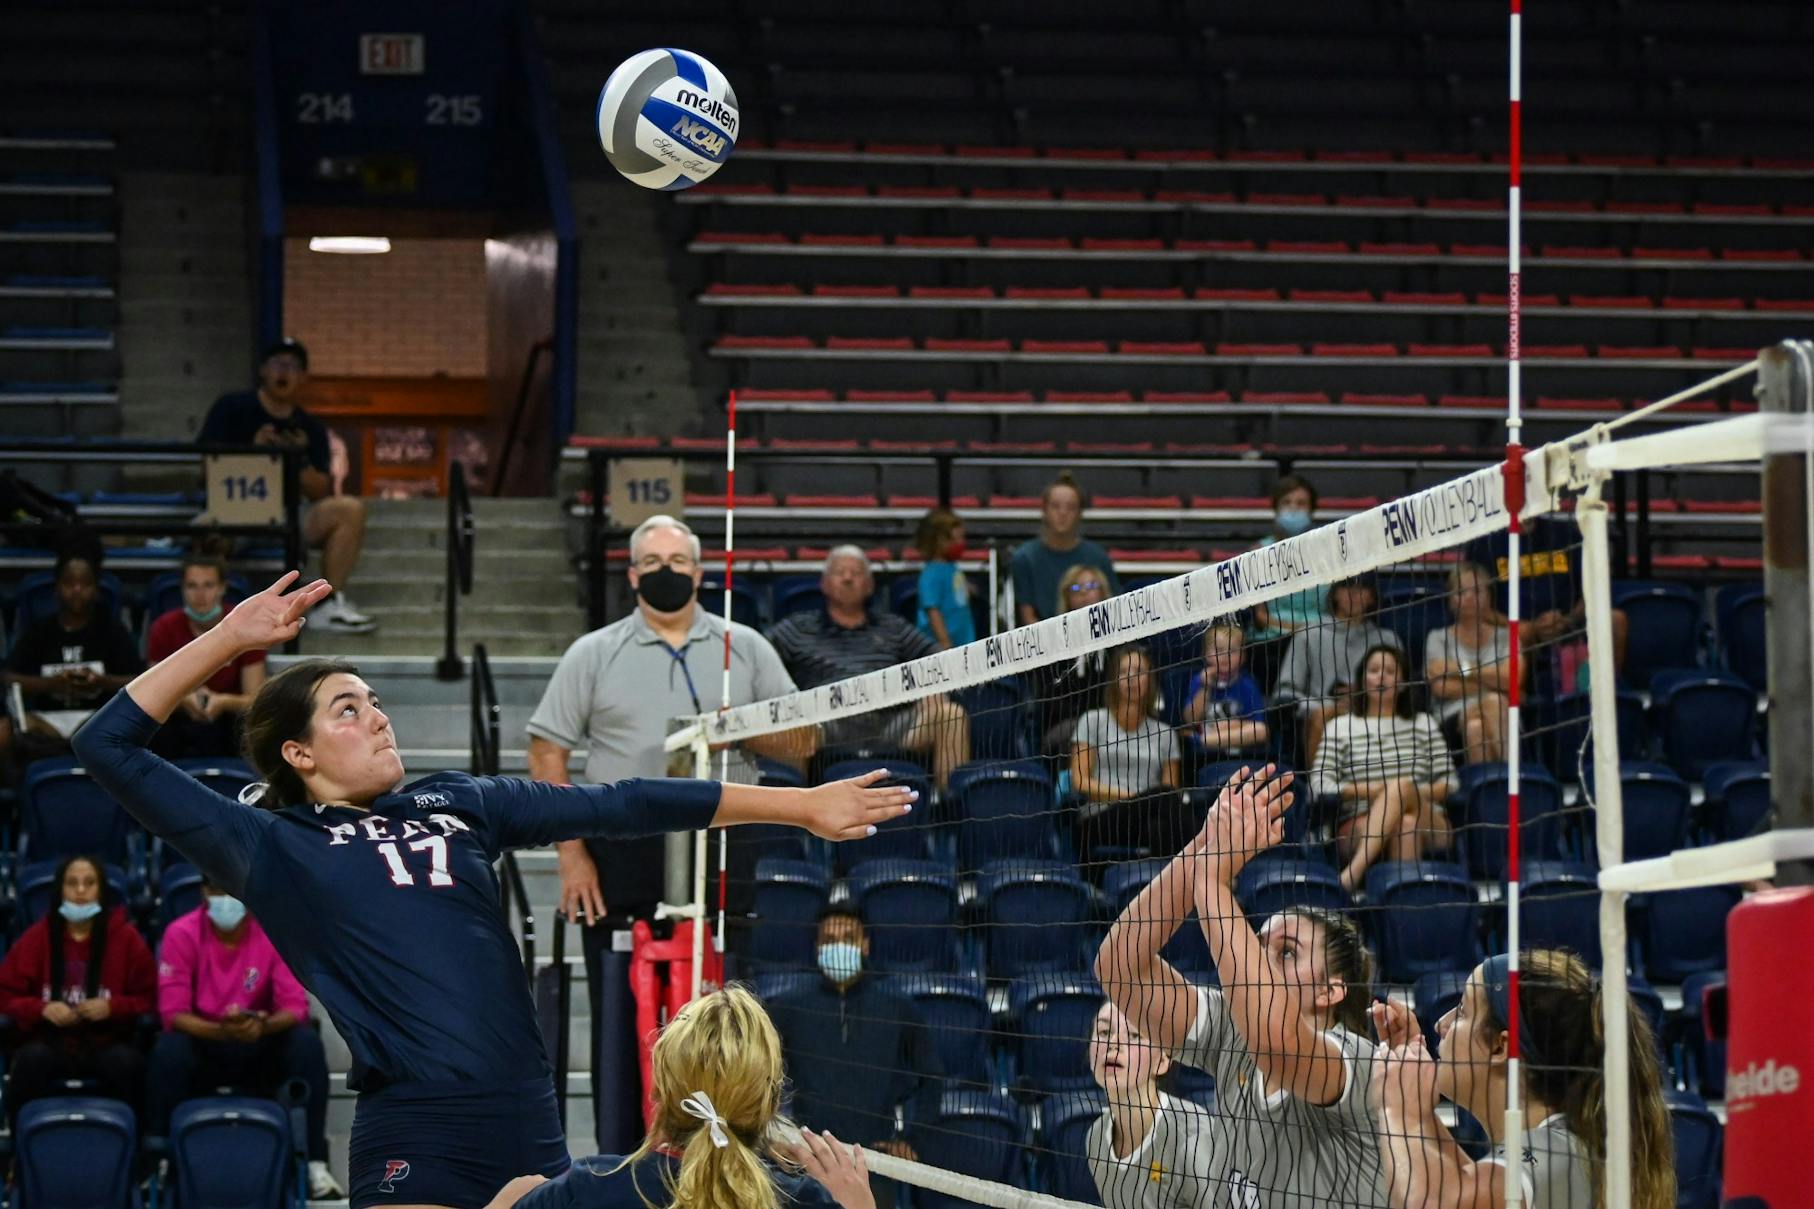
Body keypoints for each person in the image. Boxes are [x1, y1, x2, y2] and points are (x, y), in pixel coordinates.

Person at [70, 570, 916, 1209]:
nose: (378, 716)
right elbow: (108, 745)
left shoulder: (456, 799)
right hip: (415, 1125)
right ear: (298, 753)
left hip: (525, 1113)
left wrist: (799, 804)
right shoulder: (270, 844)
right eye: (346, 710)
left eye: (374, 701)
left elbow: (626, 801)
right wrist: (228, 637)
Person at [527, 513, 817, 1152]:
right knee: (621, 1018)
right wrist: (572, 857)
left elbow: (803, 742)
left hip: (723, 847)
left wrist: (742, 726)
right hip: (621, 854)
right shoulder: (594, 652)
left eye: (678, 562)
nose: (665, 572)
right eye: (652, 562)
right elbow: (547, 751)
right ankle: (623, 1157)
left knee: (722, 1010)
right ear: (631, 574)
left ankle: (725, 1155)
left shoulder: (744, 647)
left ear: (700, 571)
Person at [1096, 765, 1390, 1207]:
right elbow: (1118, 969)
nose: (1258, 961)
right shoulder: (1232, 1031)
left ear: (1331, 990)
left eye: (1286, 952)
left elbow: (1278, 1042)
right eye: (1257, 945)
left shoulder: (1359, 1060)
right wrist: (1206, 845)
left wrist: (1213, 880)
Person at [485, 986, 877, 1209]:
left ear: (658, 1091)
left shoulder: (589, 1187)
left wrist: (516, 1201)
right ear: (770, 1101)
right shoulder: (806, 1201)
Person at [1370, 949, 1675, 1209]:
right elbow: (1461, 1180)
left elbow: (1439, 1203)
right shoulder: (1561, 1141)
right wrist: (1415, 1107)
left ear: (1501, 1046)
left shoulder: (1558, 1147)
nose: (1440, 1024)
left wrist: (1397, 1109)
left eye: (1462, 1011)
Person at [147, 876, 338, 1198]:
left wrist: (262, 1026)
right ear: (205, 893)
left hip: (257, 1042)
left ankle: (315, 1163)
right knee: (168, 1050)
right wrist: (221, 1030)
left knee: (305, 1044)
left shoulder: (272, 932)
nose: (226, 898)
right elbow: (172, 1013)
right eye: (218, 889)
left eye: (232, 888)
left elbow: (295, 1007)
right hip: (204, 1043)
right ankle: (159, 1160)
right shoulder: (181, 933)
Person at [766, 905, 942, 1209]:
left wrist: (913, 1139)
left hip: (875, 1166)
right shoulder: (788, 1007)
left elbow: (932, 1078)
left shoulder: (898, 1009)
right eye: (830, 940)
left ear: (865, 945)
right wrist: (772, 1135)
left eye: (848, 937)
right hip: (806, 1163)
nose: (839, 946)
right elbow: (759, 1076)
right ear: (817, 947)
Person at [196, 338, 375, 633]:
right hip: (232, 511)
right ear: (263, 371)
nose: (284, 372)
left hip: (286, 513)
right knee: (208, 536)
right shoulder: (231, 408)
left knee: (349, 510)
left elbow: (318, 490)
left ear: (303, 377)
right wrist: (254, 452)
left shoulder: (310, 427)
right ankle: (211, 615)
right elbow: (204, 471)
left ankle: (329, 605)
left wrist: (297, 457)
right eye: (278, 364)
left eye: (293, 366)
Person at [768, 546, 970, 786]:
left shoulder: (893, 627)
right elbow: (759, 660)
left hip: (890, 724)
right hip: (822, 725)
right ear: (824, 584)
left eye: (856, 572)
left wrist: (934, 690)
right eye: (840, 572)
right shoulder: (797, 629)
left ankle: (949, 811)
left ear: (870, 585)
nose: (848, 578)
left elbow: (940, 661)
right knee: (793, 723)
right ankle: (793, 813)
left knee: (952, 715)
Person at [0, 854, 156, 1126]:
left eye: (89, 882)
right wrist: (42, 1009)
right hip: (48, 1042)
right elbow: (5, 996)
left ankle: (133, 1155)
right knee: (30, 1061)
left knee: (127, 1064)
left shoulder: (126, 938)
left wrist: (113, 1007)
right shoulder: (37, 937)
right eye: (72, 883)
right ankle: (18, 1155)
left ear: (101, 890)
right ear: (60, 890)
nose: (81, 891)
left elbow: (151, 999)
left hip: (108, 1042)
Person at [1311, 644, 1456, 892]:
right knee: (1404, 824)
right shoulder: (1340, 726)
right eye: (1374, 670)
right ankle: (1405, 912)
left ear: (1402, 681)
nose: (1381, 676)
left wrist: (1406, 794)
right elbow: (1319, 784)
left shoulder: (1424, 723)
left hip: (1429, 820)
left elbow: (1451, 782)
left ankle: (1352, 875)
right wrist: (1373, 792)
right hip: (1358, 824)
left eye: (1390, 670)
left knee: (1402, 792)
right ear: (1363, 679)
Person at [3, 538, 141, 771]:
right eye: (69, 583)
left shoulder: (111, 629)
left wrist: (99, 681)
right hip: (46, 721)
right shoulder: (40, 630)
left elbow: (138, 679)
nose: (77, 590)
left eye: (84, 584)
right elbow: (8, 677)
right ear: (57, 587)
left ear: (96, 588)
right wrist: (50, 685)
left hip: (97, 719)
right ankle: (18, 800)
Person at [1463, 513, 1626, 693]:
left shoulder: (1565, 533)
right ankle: (1520, 704)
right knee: (1519, 636)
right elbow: (1479, 608)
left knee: (1616, 620)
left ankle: (1607, 694)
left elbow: (1594, 587)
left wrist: (1568, 620)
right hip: (1515, 628)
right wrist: (1526, 627)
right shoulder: (1484, 544)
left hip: (1567, 623)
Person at [1085, 1000, 1218, 1209]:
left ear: (1162, 1061)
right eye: (1103, 1032)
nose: (1114, 1043)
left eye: (1135, 1035)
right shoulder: (1095, 1139)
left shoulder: (1193, 1137)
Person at [145, 551, 266, 759]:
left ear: (222, 588)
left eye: (208, 585)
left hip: (229, 723)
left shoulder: (245, 628)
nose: (200, 595)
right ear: (182, 590)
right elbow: (150, 694)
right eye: (192, 586)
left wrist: (223, 701)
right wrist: (183, 699)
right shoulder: (163, 628)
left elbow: (255, 699)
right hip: (176, 721)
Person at [1071, 646, 1184, 864]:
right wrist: (1133, 798)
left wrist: (1145, 801)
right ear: (1114, 679)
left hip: (1146, 819)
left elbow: (1172, 792)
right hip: (1102, 817)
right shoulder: (1092, 721)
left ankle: (1166, 892)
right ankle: (1208, 869)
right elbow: (1080, 781)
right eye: (1124, 672)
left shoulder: (1166, 733)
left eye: (1139, 671)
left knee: (1159, 829)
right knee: (1162, 799)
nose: (1131, 678)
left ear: (1150, 680)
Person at [1272, 573, 1400, 764]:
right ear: (1335, 594)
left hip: (1375, 711)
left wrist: (1364, 695)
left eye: (1362, 588)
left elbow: (1404, 688)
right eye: (1347, 587)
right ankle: (1317, 790)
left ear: (1373, 596)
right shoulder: (1309, 634)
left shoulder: (1388, 639)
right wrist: (1327, 707)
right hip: (1320, 713)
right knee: (1323, 715)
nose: (1354, 595)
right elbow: (1284, 693)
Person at [1424, 562, 1518, 764]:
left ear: (1489, 596)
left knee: (1476, 728)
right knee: (1496, 700)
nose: (1469, 598)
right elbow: (1441, 688)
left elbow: (1512, 681)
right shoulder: (1437, 638)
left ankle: (1490, 793)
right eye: (1460, 592)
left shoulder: (1506, 636)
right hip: (1452, 716)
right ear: (1450, 600)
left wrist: (1461, 669)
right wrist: (1493, 681)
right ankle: (1513, 780)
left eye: (1476, 591)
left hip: (1500, 718)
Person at [1246, 475, 1327, 692]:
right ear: (1276, 508)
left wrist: (1310, 631)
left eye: (1301, 504)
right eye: (1287, 503)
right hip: (1273, 642)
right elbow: (1261, 616)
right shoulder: (1259, 552)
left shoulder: (1328, 550)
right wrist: (1300, 630)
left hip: (1320, 638)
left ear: (1311, 510)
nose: (1293, 509)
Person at [1011, 472, 1119, 625]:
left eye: (1071, 507)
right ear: (1044, 510)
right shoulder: (1025, 558)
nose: (1062, 513)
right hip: (1044, 641)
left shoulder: (1097, 556)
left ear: (1080, 513)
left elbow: (1113, 608)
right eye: (1055, 506)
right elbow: (1028, 619)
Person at [1032, 564, 1116, 757]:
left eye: (1092, 586)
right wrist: (1088, 719)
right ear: (1067, 598)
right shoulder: (1053, 644)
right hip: (1069, 723)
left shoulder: (1120, 641)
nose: (1085, 593)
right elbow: (1049, 700)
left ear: (1103, 592)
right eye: (1077, 589)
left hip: (1115, 721)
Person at [1182, 623, 1269, 758]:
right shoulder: (1198, 681)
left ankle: (1206, 740)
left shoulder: (1247, 684)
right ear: (1205, 654)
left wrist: (1230, 725)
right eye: (1218, 650)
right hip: (1206, 747)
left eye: (1232, 651)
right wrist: (1205, 688)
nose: (1225, 657)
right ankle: (1205, 740)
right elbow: (1190, 719)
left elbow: (1257, 724)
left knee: (1261, 730)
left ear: (1243, 656)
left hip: (1238, 743)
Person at [911, 508, 974, 651]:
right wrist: (945, 643)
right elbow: (933, 610)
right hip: (941, 649)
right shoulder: (930, 574)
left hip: (963, 643)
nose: (961, 543)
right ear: (938, 541)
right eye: (956, 539)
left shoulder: (952, 567)